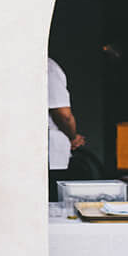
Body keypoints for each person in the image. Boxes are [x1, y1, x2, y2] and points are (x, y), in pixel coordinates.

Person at [47, 56, 86, 201]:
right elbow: (64, 115)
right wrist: (73, 136)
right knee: (54, 199)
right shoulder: (49, 67)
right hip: (52, 150)